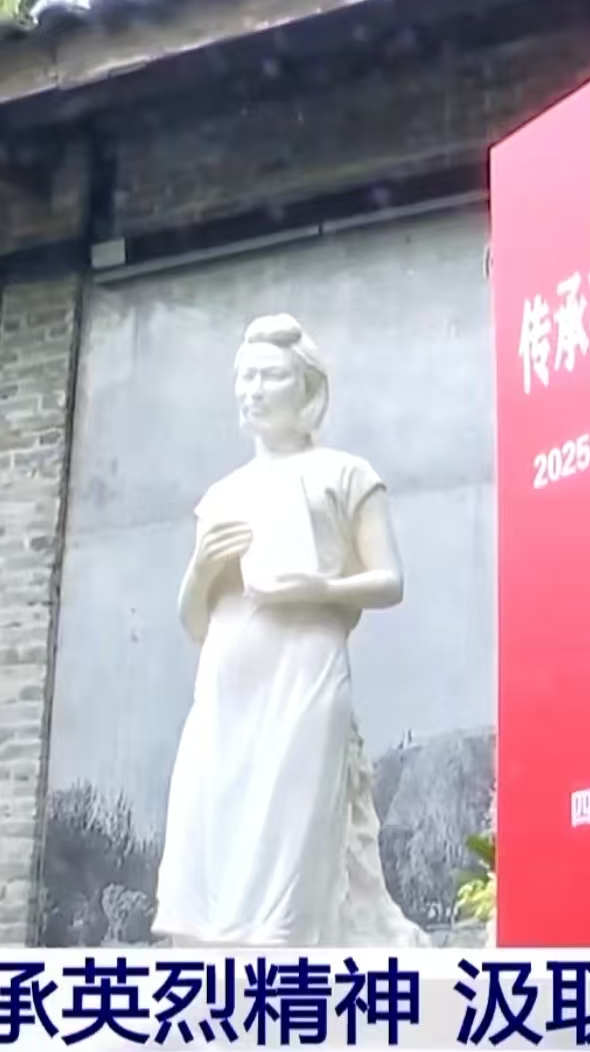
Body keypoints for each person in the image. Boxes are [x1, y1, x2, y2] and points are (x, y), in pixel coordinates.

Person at [151, 313, 431, 947]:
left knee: (290, 833)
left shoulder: (346, 475)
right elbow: (195, 621)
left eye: (270, 376)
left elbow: (389, 580)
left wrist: (318, 590)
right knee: (212, 835)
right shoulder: (222, 494)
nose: (253, 390)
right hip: (225, 684)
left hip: (305, 673)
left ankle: (289, 972)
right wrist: (201, 570)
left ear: (307, 386)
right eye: (245, 376)